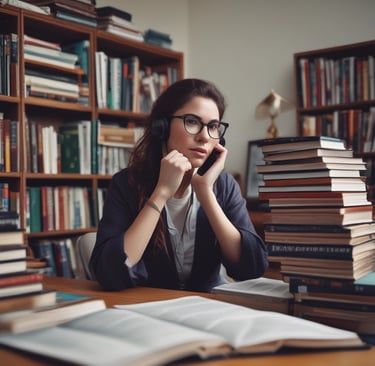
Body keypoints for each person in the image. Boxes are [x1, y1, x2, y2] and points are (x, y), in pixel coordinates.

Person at [90, 78, 268, 292]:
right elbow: (109, 274)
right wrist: (161, 193)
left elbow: (253, 268)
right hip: (147, 308)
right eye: (192, 121)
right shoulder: (126, 184)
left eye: (213, 126)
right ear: (162, 127)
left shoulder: (224, 185)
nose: (204, 136)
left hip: (209, 308)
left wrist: (206, 194)